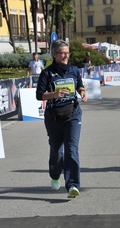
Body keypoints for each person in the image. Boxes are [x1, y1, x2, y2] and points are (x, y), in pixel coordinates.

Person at [36, 39, 88, 198]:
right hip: (54, 116)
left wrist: (83, 93)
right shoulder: (47, 73)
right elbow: (39, 95)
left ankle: (73, 185)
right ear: (54, 54)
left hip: (73, 114)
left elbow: (80, 86)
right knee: (57, 152)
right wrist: (54, 94)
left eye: (67, 53)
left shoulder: (74, 70)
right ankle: (54, 174)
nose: (66, 56)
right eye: (62, 53)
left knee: (71, 150)